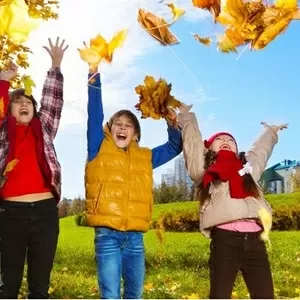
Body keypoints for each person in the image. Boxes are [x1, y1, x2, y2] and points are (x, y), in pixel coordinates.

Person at [84, 66, 182, 299]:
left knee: (135, 294)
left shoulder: (145, 157)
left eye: (128, 125)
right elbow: (95, 114)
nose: (122, 127)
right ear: (109, 129)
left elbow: (174, 147)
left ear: (135, 134)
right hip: (107, 235)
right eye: (117, 123)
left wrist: (172, 124)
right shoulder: (98, 146)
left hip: (135, 239)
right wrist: (93, 74)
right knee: (110, 294)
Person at [178, 104, 288, 299]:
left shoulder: (247, 168)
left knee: (265, 295)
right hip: (225, 241)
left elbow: (260, 152)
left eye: (230, 140)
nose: (225, 141)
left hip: (256, 242)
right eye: (219, 140)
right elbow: (192, 145)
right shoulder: (205, 168)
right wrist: (186, 116)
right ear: (208, 148)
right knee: (220, 295)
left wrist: (270, 132)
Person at [0, 37, 68, 299]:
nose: (25, 104)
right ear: (10, 108)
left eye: (29, 101)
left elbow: (52, 102)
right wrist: (4, 82)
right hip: (10, 214)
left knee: (40, 287)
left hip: (44, 213)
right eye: (18, 101)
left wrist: (55, 65)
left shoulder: (44, 129)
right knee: (9, 286)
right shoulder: (4, 131)